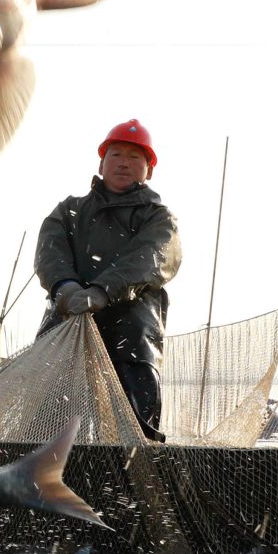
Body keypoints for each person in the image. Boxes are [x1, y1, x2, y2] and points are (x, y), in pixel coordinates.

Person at [36, 120, 182, 442]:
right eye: (116, 155)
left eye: (134, 157)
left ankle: (134, 477)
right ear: (102, 163)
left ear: (149, 170)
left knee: (134, 412)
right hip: (67, 316)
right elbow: (50, 253)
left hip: (132, 327)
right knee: (49, 411)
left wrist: (103, 291)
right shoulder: (69, 210)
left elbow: (151, 257)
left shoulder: (159, 217)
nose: (124, 163)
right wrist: (65, 287)